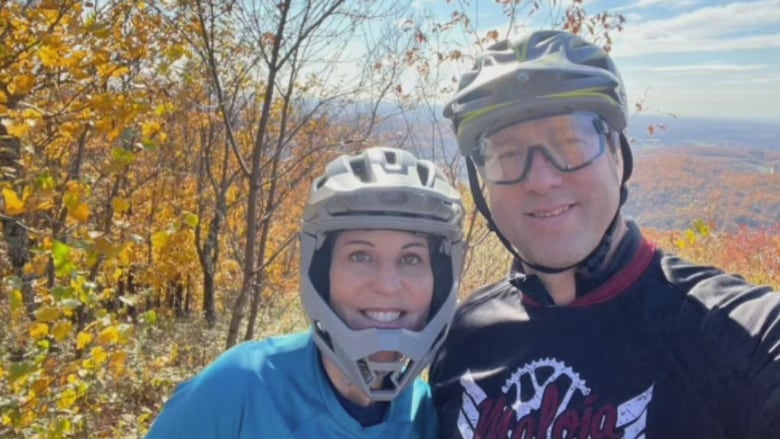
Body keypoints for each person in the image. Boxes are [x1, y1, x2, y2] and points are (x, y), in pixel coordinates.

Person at [429, 29, 780, 439]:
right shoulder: (464, 341)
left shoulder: (736, 336)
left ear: (617, 156)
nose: (541, 180)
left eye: (570, 142)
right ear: (483, 187)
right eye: (508, 154)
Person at [145, 146, 465, 438]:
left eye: (411, 258)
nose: (387, 284)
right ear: (322, 271)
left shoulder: (427, 416)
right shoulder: (239, 388)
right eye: (360, 256)